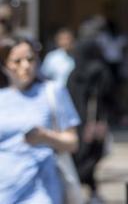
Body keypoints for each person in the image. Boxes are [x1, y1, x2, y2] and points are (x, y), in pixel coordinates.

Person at [0, 37, 80, 203]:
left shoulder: (52, 92)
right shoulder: (2, 97)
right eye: (17, 61)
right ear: (5, 65)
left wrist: (46, 136)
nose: (26, 66)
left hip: (41, 189)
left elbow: (72, 142)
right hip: (5, 190)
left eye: (30, 59)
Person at [67, 38, 113, 204]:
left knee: (79, 155)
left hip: (76, 122)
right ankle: (90, 190)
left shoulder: (74, 73)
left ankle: (83, 189)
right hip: (95, 122)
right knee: (92, 155)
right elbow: (107, 96)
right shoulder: (101, 70)